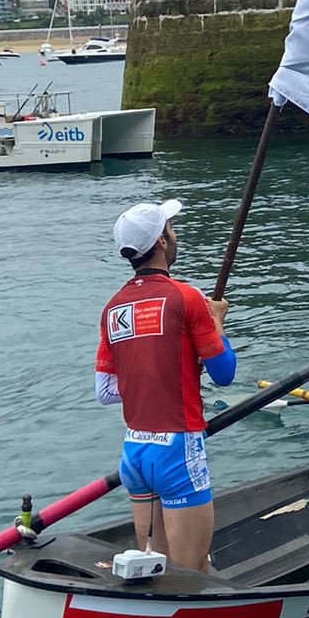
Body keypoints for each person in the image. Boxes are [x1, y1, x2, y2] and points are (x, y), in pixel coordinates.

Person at [95, 198, 236, 574]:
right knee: (191, 574)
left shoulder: (112, 309)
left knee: (156, 571)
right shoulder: (186, 297)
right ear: (161, 241)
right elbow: (224, 373)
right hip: (177, 450)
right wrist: (217, 321)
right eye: (171, 230)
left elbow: (105, 391)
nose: (175, 236)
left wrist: (158, 375)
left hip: (135, 452)